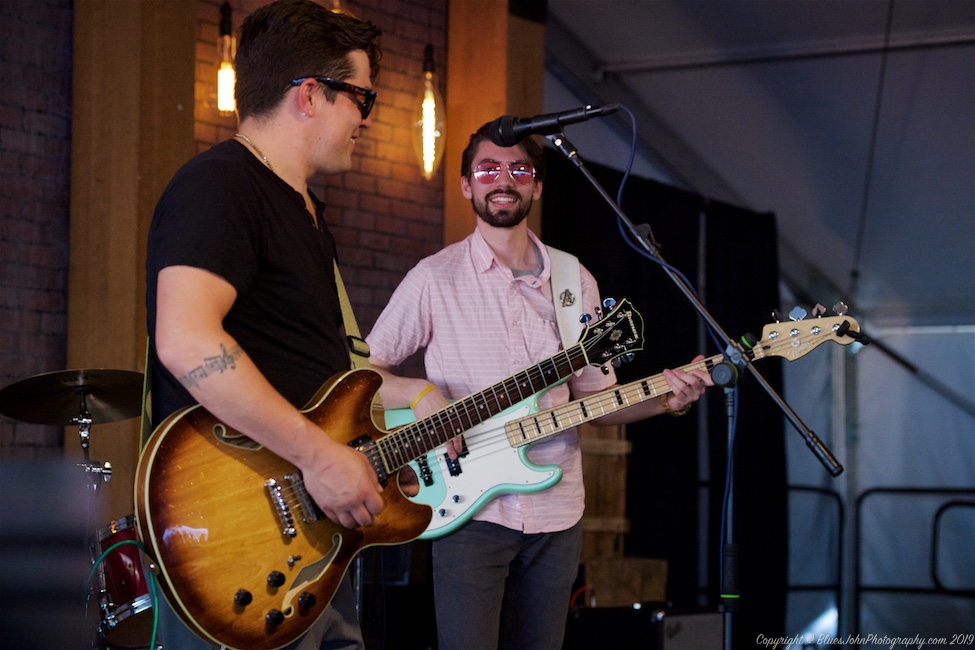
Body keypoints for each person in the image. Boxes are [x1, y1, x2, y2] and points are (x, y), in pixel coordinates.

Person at [365, 122, 715, 650]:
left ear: (537, 185)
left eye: (519, 169)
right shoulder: (434, 278)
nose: (502, 180)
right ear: (466, 185)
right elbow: (364, 375)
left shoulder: (577, 282)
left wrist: (665, 399)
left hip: (558, 510)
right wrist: (420, 396)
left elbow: (595, 403)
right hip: (466, 509)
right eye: (487, 169)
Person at [144, 1, 382, 648]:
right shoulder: (220, 188)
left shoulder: (305, 211)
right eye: (361, 97)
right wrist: (320, 457)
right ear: (309, 95)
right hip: (235, 541)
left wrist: (408, 413)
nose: (366, 117)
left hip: (312, 549)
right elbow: (187, 339)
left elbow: (318, 370)